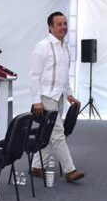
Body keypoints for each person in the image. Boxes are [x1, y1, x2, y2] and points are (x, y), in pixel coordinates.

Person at [29, 11, 85, 183]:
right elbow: (34, 75)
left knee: (49, 133)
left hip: (59, 96)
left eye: (65, 23)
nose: (63, 27)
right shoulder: (42, 46)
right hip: (46, 97)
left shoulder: (66, 47)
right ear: (50, 27)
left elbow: (64, 75)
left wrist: (69, 95)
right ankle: (70, 170)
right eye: (59, 24)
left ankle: (37, 166)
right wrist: (36, 101)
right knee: (58, 133)